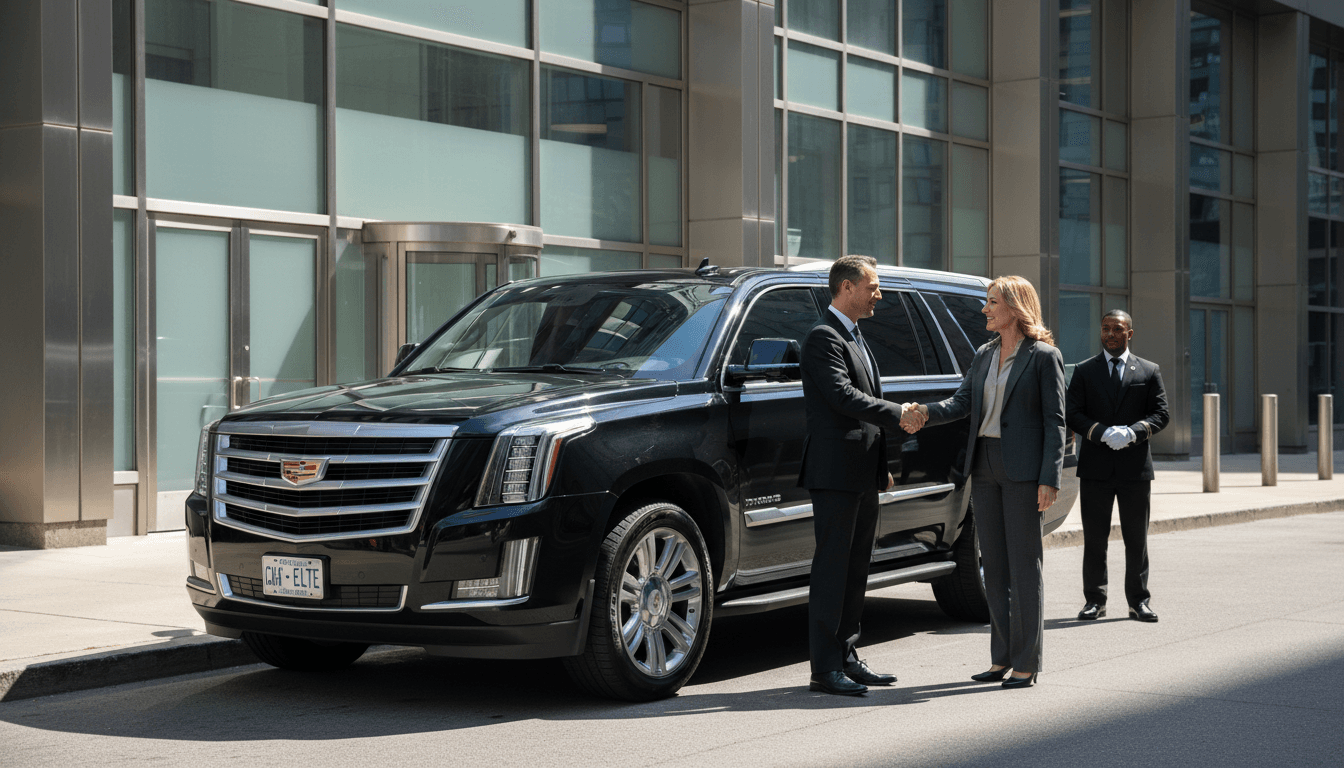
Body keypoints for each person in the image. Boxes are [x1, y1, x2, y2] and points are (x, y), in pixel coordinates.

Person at [900, 276, 1065, 689]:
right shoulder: (983, 354)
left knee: (1025, 566)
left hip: (1025, 471)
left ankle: (1027, 662)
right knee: (993, 565)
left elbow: (1055, 422)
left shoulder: (1044, 356)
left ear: (1014, 307)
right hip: (984, 466)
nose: (985, 310)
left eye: (992, 303)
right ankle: (1000, 658)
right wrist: (924, 412)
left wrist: (1050, 478)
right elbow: (961, 403)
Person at [797, 255, 908, 696]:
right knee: (832, 569)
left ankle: (846, 655)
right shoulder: (822, 338)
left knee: (856, 568)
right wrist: (901, 414)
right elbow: (844, 398)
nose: (878, 295)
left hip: (861, 474)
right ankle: (824, 668)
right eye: (872, 287)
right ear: (846, 288)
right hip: (834, 474)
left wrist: (881, 470)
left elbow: (862, 409)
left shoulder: (856, 335)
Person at [1065, 310, 1169, 623]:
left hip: (1134, 469)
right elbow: (1073, 413)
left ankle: (1139, 601)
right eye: (1106, 328)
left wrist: (1133, 432)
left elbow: (1161, 414)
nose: (1111, 334)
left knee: (1136, 539)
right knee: (1094, 539)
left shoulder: (1149, 371)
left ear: (1130, 333)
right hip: (1096, 468)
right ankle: (1095, 600)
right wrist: (1101, 431)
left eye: (1118, 329)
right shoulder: (1085, 370)